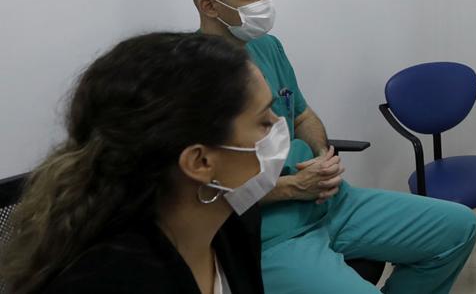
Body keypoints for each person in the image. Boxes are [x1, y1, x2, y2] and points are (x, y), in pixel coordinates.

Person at [187, 0, 476, 294]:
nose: (265, 2)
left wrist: (322, 157)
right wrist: (292, 187)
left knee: (459, 227)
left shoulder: (267, 46)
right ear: (209, 6)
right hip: (272, 232)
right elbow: (203, 192)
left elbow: (302, 115)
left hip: (330, 202)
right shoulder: (192, 78)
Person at [0, 32, 276, 294]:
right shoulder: (107, 282)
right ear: (200, 161)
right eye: (264, 122)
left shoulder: (231, 222)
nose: (278, 126)